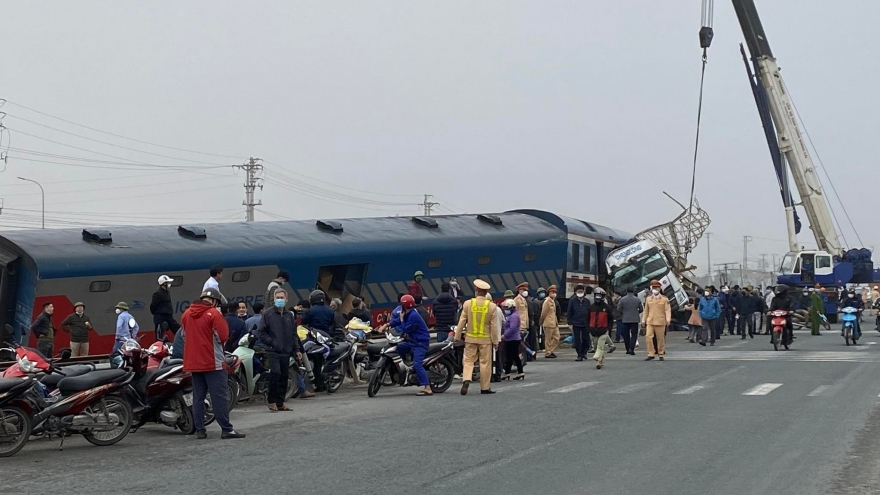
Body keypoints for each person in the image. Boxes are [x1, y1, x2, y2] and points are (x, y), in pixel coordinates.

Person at [181, 288, 245, 439]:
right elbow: (223, 336)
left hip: (193, 362)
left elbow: (183, 336)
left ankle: (200, 430)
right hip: (213, 362)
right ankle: (226, 429)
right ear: (215, 301)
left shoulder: (186, 314)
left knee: (198, 397)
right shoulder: (214, 314)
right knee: (219, 397)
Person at [256, 288, 305, 412]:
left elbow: (294, 334)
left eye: (281, 298)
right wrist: (272, 342)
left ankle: (280, 402)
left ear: (286, 299)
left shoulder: (289, 315)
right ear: (273, 299)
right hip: (273, 350)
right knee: (275, 374)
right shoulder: (268, 314)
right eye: (277, 298)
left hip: (286, 350)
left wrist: (297, 349)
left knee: (284, 376)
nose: (279, 300)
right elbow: (261, 332)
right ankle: (271, 401)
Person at [454, 279, 499, 395]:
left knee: (468, 361)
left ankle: (467, 379)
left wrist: (457, 337)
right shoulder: (492, 306)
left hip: (470, 338)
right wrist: (495, 341)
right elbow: (494, 326)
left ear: (476, 291)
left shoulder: (468, 304)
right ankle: (484, 387)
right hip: (486, 340)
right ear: (486, 293)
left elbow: (461, 321)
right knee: (485, 363)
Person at [384, 294, 433, 396]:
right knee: (397, 348)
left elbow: (405, 328)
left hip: (420, 343)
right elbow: (397, 321)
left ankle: (427, 387)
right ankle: (405, 368)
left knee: (417, 365)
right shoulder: (408, 312)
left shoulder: (413, 315)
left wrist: (401, 319)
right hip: (412, 341)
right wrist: (387, 324)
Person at [641, 280, 670, 361]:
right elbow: (646, 311)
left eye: (656, 288)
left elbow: (667, 310)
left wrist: (668, 319)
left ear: (660, 289)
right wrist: (643, 320)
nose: (655, 289)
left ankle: (661, 353)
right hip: (650, 321)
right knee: (648, 337)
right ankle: (651, 353)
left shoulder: (664, 299)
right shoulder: (648, 298)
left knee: (660, 339)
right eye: (653, 288)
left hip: (660, 321)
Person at [588, 288, 614, 369]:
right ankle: (601, 359)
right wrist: (588, 328)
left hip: (603, 330)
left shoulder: (607, 308)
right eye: (597, 295)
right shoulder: (591, 307)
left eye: (600, 296)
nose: (598, 297)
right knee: (596, 346)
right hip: (593, 330)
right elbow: (587, 318)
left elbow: (611, 319)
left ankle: (598, 360)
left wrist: (608, 328)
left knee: (600, 346)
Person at [500, 299, 524, 380]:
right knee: (511, 356)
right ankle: (510, 372)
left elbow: (512, 328)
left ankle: (517, 372)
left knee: (513, 356)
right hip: (511, 339)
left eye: (507, 308)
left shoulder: (514, 316)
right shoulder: (512, 315)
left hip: (513, 339)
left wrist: (504, 335)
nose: (505, 310)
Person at [151, 275, 180, 341]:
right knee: (159, 335)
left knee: (178, 330)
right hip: (160, 317)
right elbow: (153, 306)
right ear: (164, 283)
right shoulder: (157, 294)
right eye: (168, 282)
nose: (169, 284)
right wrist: (159, 313)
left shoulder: (167, 292)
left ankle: (180, 343)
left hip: (169, 316)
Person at [567, 284, 590, 362]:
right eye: (578, 291)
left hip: (585, 322)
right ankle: (579, 355)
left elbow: (589, 312)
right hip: (576, 323)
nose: (580, 292)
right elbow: (569, 311)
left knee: (586, 339)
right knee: (577, 340)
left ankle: (584, 352)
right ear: (576, 292)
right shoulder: (572, 300)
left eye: (581, 291)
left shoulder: (587, 301)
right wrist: (569, 322)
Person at [617, 287, 643, 355]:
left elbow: (619, 308)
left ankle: (627, 348)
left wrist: (623, 313)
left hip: (625, 319)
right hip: (635, 319)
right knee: (634, 334)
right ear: (633, 291)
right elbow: (641, 309)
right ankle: (631, 348)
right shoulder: (637, 299)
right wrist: (636, 312)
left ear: (626, 291)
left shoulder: (622, 299)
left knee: (626, 334)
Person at [540, 285, 561, 358]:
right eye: (553, 292)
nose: (554, 293)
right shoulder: (547, 302)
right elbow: (543, 313)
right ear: (549, 293)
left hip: (554, 323)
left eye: (555, 292)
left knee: (557, 338)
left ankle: (550, 350)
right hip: (548, 323)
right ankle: (548, 353)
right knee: (548, 339)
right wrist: (541, 322)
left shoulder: (553, 301)